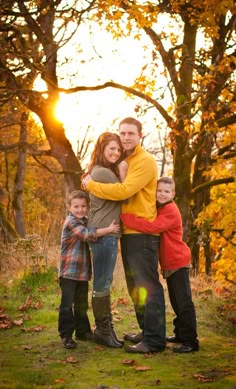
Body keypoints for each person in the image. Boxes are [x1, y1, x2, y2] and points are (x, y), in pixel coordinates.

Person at [83, 117, 166, 354]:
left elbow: (124, 191)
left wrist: (91, 185)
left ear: (140, 135)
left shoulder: (145, 161)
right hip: (129, 231)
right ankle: (146, 330)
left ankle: (154, 340)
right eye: (123, 133)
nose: (126, 137)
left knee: (148, 285)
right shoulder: (126, 160)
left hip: (142, 231)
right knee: (135, 286)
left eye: (131, 133)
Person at [121, 177, 199, 353]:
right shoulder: (160, 208)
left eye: (166, 191)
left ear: (173, 194)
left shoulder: (171, 210)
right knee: (175, 299)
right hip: (170, 263)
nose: (162, 194)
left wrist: (126, 219)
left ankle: (191, 341)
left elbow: (152, 227)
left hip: (178, 261)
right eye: (159, 190)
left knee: (183, 302)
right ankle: (180, 334)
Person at [58, 189, 120, 349]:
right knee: (67, 305)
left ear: (88, 207)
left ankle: (82, 331)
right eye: (76, 206)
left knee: (81, 304)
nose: (80, 210)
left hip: (82, 273)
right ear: (69, 207)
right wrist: (109, 230)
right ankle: (66, 335)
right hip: (69, 272)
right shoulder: (71, 222)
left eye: (84, 206)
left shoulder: (85, 220)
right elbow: (87, 235)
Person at [86, 132, 125, 348]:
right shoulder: (102, 172)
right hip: (104, 234)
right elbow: (125, 193)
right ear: (102, 149)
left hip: (106, 233)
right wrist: (124, 169)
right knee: (102, 283)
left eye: (118, 150)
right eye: (112, 148)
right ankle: (102, 330)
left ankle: (105, 328)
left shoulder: (100, 172)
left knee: (103, 282)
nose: (116, 153)